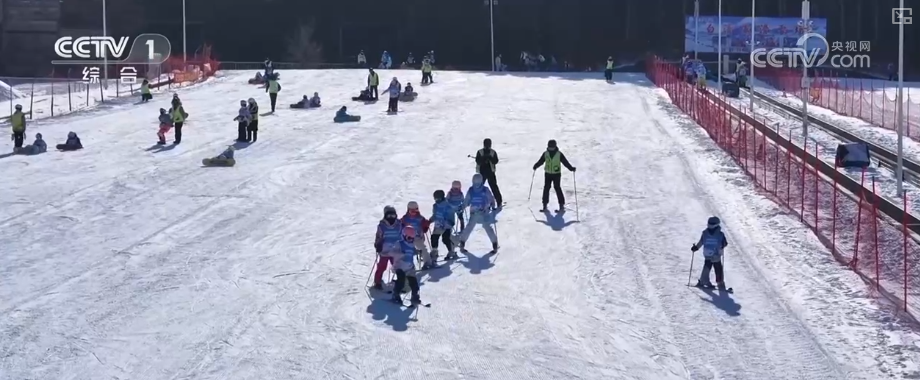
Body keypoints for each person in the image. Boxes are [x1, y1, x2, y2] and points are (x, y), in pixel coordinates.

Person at [458, 173, 499, 253]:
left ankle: (494, 244)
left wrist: (492, 204)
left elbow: (490, 198)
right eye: (475, 183)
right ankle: (462, 243)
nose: (476, 185)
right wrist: (462, 207)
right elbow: (467, 200)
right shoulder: (472, 190)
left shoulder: (484, 190)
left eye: (477, 183)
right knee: (471, 227)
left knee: (486, 228)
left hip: (483, 212)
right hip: (475, 213)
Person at [532, 139, 576, 212]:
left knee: (557, 188)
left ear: (555, 146)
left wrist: (571, 168)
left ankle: (561, 205)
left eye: (552, 147)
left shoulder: (559, 154)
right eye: (550, 147)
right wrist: (536, 165)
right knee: (546, 188)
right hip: (547, 174)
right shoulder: (545, 153)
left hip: (556, 174)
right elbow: (541, 161)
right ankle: (544, 205)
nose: (551, 149)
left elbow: (565, 162)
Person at [386, 225, 424, 306]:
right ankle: (396, 295)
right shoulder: (399, 244)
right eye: (409, 238)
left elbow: (412, 251)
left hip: (409, 267)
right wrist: (400, 254)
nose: (411, 240)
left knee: (413, 281)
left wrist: (417, 252)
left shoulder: (412, 245)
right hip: (399, 267)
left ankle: (415, 295)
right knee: (401, 281)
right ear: (404, 236)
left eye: (412, 238)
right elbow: (391, 253)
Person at [691, 216, 729, 289]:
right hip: (716, 254)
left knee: (707, 267)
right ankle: (720, 283)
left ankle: (703, 281)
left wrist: (696, 247)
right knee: (718, 268)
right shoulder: (720, 234)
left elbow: (701, 242)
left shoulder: (705, 233)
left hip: (707, 253)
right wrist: (723, 245)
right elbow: (725, 243)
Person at [372, 205, 403, 290]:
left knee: (398, 266)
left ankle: (401, 281)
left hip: (396, 250)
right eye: (389, 215)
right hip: (385, 251)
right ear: (385, 215)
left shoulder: (399, 224)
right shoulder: (382, 226)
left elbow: (403, 235)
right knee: (382, 266)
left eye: (393, 215)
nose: (391, 217)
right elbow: (378, 236)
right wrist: (377, 244)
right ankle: (377, 282)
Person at [400, 201, 435, 270]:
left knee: (422, 248)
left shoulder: (420, 218)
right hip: (407, 238)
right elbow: (400, 226)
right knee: (405, 251)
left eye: (415, 211)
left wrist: (426, 225)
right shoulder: (405, 218)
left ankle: (428, 262)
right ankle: (407, 266)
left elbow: (425, 227)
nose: (414, 213)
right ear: (408, 210)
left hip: (417, 237)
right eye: (411, 211)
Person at [430, 190, 457, 261]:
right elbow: (435, 215)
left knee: (445, 239)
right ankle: (434, 251)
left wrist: (451, 222)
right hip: (438, 225)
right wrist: (429, 221)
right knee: (434, 237)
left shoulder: (448, 206)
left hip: (446, 225)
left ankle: (451, 251)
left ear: (442, 198)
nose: (436, 200)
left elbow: (451, 215)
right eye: (435, 198)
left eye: (438, 198)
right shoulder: (435, 206)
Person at [475, 138, 503, 206]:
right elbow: (478, 161)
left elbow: (495, 161)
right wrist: (484, 159)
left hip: (489, 172)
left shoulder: (490, 152)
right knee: (481, 187)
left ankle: (499, 201)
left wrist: (490, 158)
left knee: (492, 187)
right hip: (483, 172)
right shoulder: (481, 152)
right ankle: (477, 201)